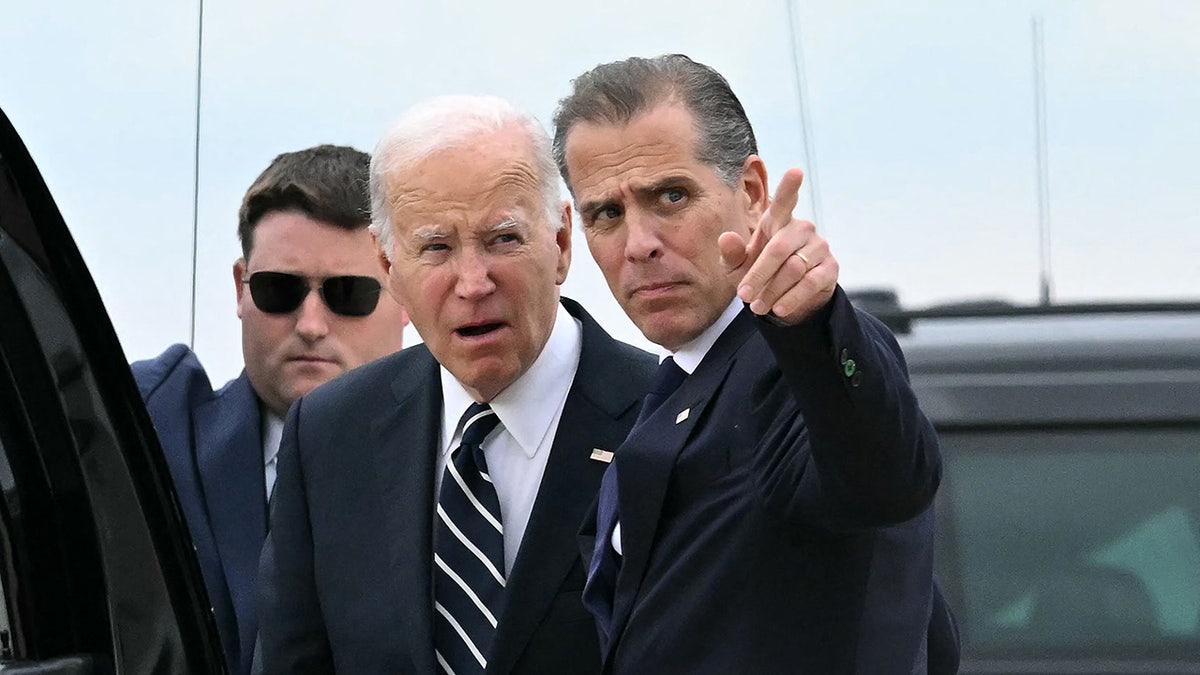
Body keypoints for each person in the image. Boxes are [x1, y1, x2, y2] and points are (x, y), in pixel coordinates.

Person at [552, 54, 952, 673]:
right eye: (607, 213)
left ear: (752, 193)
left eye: (671, 196)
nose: (639, 244)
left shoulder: (796, 364)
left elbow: (886, 480)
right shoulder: (671, 387)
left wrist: (814, 325)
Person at [256, 95, 656, 674]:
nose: (473, 283)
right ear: (388, 267)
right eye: (436, 248)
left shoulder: (666, 419)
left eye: (503, 239)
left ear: (562, 244)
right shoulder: (328, 434)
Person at [132, 144, 409, 675]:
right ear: (241, 287)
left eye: (347, 294)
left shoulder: (462, 467)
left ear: (406, 294)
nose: (310, 323)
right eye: (279, 289)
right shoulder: (151, 430)